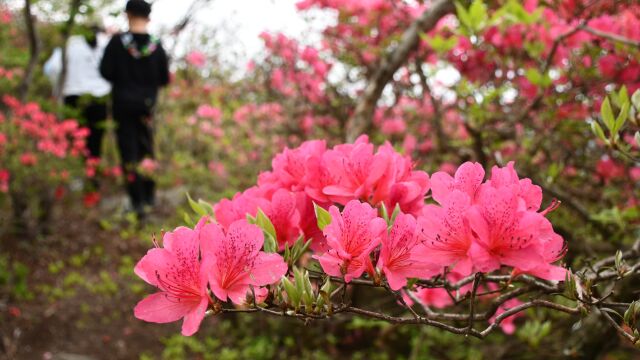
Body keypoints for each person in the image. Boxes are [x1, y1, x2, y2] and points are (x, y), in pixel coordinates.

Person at [100, 0, 170, 217]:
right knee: (147, 149)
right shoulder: (156, 46)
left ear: (127, 15)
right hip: (147, 106)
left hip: (122, 104)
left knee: (128, 151)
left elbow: (105, 71)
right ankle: (149, 196)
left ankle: (136, 200)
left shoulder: (117, 42)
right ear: (148, 18)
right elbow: (164, 79)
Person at [44, 25, 111, 169]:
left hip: (73, 96)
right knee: (95, 142)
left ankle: (76, 179)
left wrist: (58, 91)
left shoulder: (70, 43)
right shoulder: (106, 43)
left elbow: (53, 68)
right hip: (99, 100)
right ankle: (92, 181)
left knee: (74, 141)